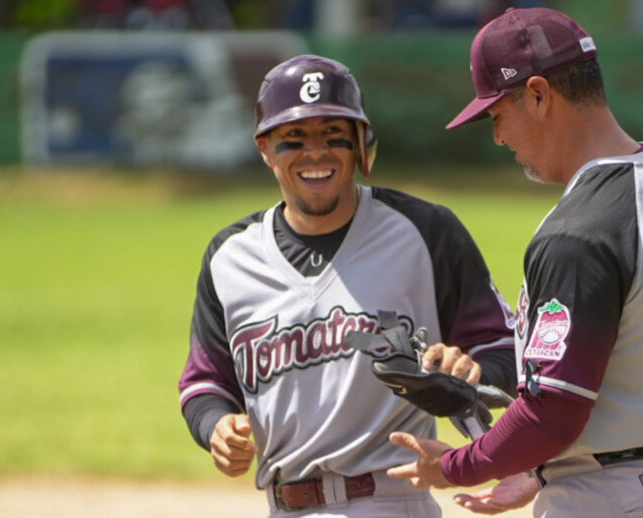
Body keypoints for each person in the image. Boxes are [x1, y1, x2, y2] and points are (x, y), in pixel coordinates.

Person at [387, 7, 643, 517]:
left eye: (497, 114)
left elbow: (553, 411)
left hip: (615, 499)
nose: (498, 137)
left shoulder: (579, 230)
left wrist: (455, 466)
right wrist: (538, 472)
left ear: (538, 94)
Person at [177, 54, 517, 517]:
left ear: (361, 143)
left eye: (333, 134)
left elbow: (508, 346)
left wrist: (471, 369)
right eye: (293, 138)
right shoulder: (230, 257)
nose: (315, 152)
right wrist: (216, 426)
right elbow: (206, 382)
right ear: (263, 148)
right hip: (285, 505)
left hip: (392, 500)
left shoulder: (424, 231)